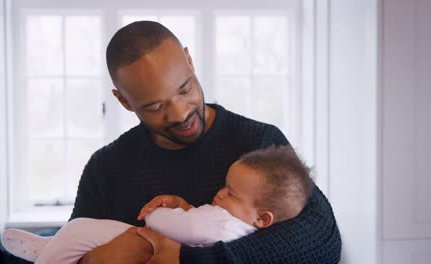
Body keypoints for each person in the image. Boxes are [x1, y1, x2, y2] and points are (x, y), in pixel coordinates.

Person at [67, 20, 341, 263]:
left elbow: (323, 241)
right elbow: (63, 247)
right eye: (154, 106)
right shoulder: (105, 168)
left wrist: (191, 260)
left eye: (185, 89)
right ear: (124, 101)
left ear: (189, 60)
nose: (181, 113)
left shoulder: (258, 142)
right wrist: (93, 260)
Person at [2, 146, 315, 264]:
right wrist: (188, 208)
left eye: (231, 193)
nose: (219, 195)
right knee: (81, 233)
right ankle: (52, 248)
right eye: (224, 186)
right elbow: (198, 227)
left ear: (263, 218)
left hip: (146, 246)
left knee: (83, 229)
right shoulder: (236, 223)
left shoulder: (223, 222)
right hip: (143, 250)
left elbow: (178, 227)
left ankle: (50, 254)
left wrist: (161, 213)